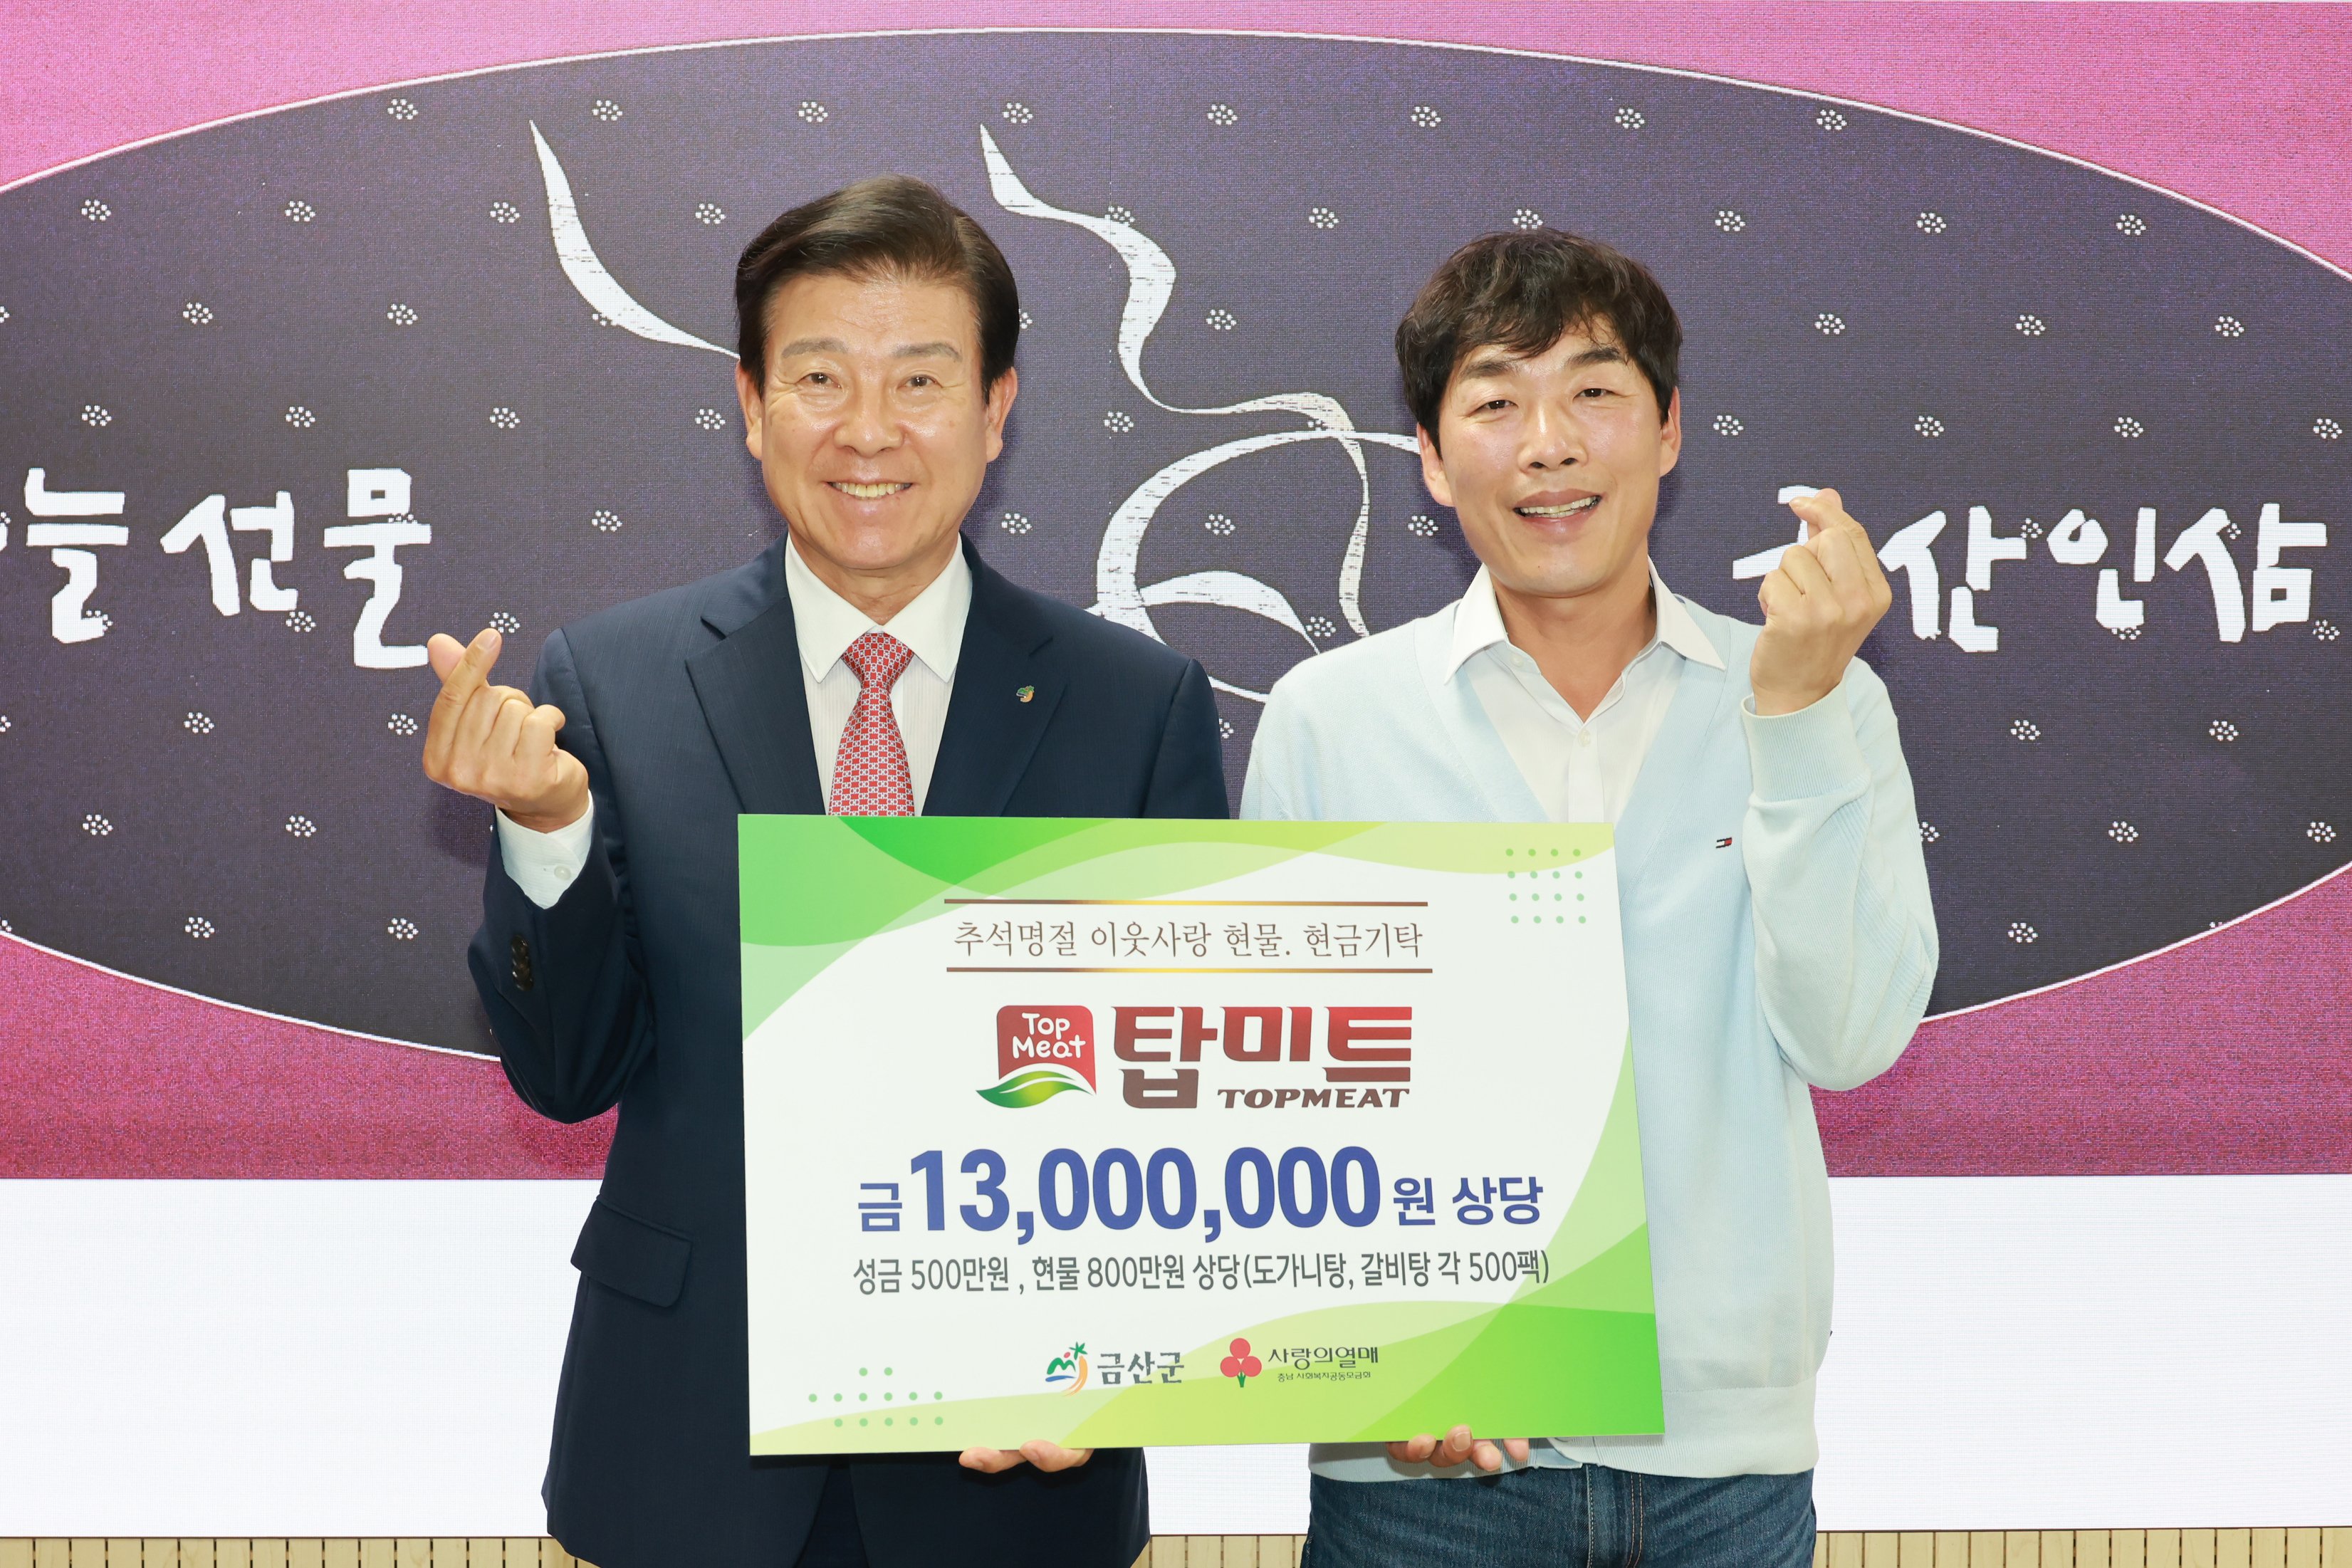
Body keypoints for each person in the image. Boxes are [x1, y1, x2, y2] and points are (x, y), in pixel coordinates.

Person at [420, 175, 1226, 1568]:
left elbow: (1192, 1101)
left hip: (1013, 1462)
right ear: (749, 405)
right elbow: (565, 1074)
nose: (867, 429)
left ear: (996, 408)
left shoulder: (1134, 704)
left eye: (919, 380)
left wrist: (1111, 1343)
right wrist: (548, 827)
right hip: (686, 1446)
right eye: (818, 378)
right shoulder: (610, 681)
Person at [1242, 229, 1938, 1567]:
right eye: (1496, 402)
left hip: (1721, 1472)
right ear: (1432, 458)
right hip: (1423, 1469)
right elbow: (1281, 1091)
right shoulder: (1332, 718)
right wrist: (1375, 1362)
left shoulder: (1821, 694)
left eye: (1595, 392)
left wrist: (1794, 719)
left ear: (1669, 429)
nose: (1549, 445)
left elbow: (1850, 1038)